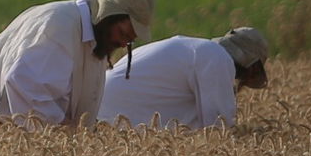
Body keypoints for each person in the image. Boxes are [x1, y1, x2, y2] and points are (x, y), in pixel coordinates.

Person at [0, 0, 156, 129]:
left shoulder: (93, 39)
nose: (123, 43)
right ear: (107, 16)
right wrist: (59, 138)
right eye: (122, 34)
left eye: (130, 41)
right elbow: (25, 85)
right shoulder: (59, 27)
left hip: (19, 142)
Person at [96, 27, 269, 130]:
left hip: (96, 111)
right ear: (253, 67)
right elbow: (218, 128)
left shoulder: (194, 48)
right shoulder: (216, 58)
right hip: (117, 123)